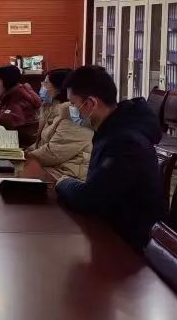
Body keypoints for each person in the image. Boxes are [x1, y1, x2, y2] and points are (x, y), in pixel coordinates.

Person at [54, 65, 166, 251]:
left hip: (130, 245)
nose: (72, 110)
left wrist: (63, 182)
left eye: (73, 104)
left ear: (90, 103)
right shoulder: (114, 130)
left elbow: (89, 199)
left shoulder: (125, 143)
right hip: (111, 228)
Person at [25, 68, 92, 180]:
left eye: (46, 83)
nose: (42, 86)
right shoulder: (53, 109)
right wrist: (25, 153)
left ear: (59, 88)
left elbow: (54, 152)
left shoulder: (74, 115)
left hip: (66, 174)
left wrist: (25, 157)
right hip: (54, 168)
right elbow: (42, 143)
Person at [0, 64, 42, 146]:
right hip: (11, 142)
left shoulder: (19, 97)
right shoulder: (7, 96)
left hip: (22, 147)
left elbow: (2, 122)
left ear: (7, 82)